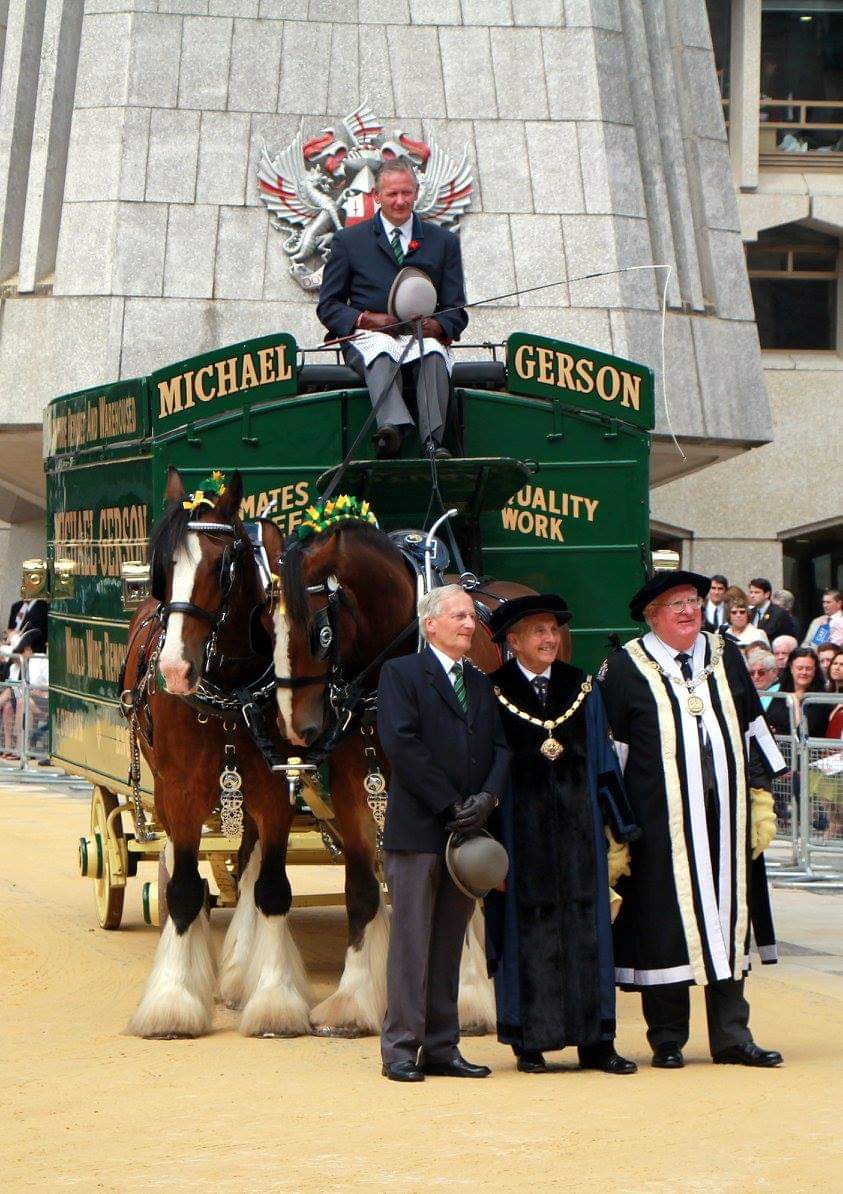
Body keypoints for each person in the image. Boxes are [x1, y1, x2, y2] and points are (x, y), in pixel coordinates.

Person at [599, 571, 786, 1069]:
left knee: (729, 920)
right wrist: (614, 828)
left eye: (694, 601)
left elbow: (752, 731)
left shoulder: (726, 657)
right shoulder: (624, 668)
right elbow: (612, 755)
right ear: (652, 615)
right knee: (663, 923)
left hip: (725, 818)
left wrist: (762, 801)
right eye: (675, 603)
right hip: (660, 826)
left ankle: (731, 1036)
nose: (688, 610)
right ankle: (667, 1038)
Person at [484, 595, 640, 1077]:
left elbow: (603, 761)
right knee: (524, 935)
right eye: (537, 631)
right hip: (518, 838)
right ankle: (530, 1041)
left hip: (580, 840)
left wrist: (621, 826)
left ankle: (597, 1043)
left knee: (588, 934)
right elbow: (485, 773)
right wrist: (489, 853)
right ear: (513, 642)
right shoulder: (494, 693)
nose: (550, 639)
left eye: (553, 630)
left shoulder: (582, 689)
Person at [376, 584, 510, 1082]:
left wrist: (487, 800)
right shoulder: (402, 674)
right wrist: (451, 804)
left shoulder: (479, 683)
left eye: (472, 617)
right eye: (457, 616)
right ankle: (399, 1050)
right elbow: (402, 745)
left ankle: (441, 1046)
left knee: (451, 942)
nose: (468, 624)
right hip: (418, 833)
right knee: (411, 944)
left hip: (467, 837)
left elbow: (501, 749)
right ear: (430, 623)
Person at [317, 156, 468, 461]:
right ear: (377, 196)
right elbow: (329, 306)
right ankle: (393, 430)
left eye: (407, 193)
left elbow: (456, 310)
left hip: (420, 336)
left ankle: (432, 444)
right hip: (369, 337)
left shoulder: (444, 241)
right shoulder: (348, 241)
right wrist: (365, 319)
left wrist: (437, 327)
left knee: (434, 354)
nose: (400, 202)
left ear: (416, 192)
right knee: (382, 350)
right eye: (392, 194)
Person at [766, 647, 830, 739]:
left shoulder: (820, 701)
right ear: (791, 669)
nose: (804, 672)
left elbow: (802, 734)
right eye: (799, 668)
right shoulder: (781, 693)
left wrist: (795, 704)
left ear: (815, 670)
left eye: (808, 668)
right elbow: (770, 721)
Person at [747, 578, 798, 642]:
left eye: (756, 592)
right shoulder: (750, 612)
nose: (752, 596)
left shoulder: (780, 613)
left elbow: (788, 639)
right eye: (751, 592)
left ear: (767, 594)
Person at [722, 587, 770, 651]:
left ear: (747, 614)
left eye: (742, 612)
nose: (738, 615)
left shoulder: (758, 634)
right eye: (734, 612)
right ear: (729, 616)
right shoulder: (721, 634)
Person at [745, 647, 780, 712]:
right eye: (752, 673)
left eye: (761, 672)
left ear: (774, 672)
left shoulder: (781, 692)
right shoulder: (748, 692)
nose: (756, 676)